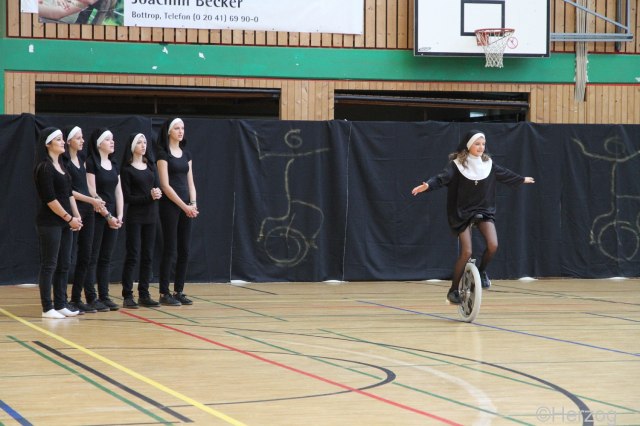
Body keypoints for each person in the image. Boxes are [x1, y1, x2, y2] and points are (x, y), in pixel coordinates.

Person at [411, 130, 535, 304]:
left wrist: (521, 179)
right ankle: (453, 290)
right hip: (462, 212)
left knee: (493, 245)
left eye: (483, 144)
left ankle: (482, 272)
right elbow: (442, 178)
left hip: (484, 209)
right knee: (467, 251)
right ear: (469, 146)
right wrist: (428, 185)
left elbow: (504, 174)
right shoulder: (456, 165)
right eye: (477, 144)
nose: (481, 147)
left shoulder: (488, 164)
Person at [33, 127, 83, 319]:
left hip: (65, 222)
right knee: (50, 264)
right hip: (50, 223)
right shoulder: (44, 168)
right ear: (48, 144)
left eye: (63, 139)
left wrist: (76, 216)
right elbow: (50, 200)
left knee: (64, 263)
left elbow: (68, 194)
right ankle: (47, 307)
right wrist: (69, 218)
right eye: (59, 139)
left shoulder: (62, 166)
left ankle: (61, 304)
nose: (63, 142)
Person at [62, 125, 106, 314]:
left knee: (86, 255)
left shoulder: (82, 160)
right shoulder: (64, 162)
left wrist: (96, 200)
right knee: (67, 257)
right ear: (69, 141)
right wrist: (90, 200)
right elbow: (69, 191)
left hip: (88, 212)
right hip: (74, 211)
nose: (82, 141)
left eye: (82, 137)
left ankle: (76, 298)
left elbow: (87, 187)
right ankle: (61, 300)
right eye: (78, 138)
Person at [156, 118, 199, 306]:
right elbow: (165, 186)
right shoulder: (162, 154)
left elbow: (191, 182)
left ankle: (178, 290)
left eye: (182, 128)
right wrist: (184, 206)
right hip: (170, 205)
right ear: (168, 132)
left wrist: (193, 204)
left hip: (187, 206)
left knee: (185, 249)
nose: (181, 131)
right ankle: (164, 292)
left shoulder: (186, 153)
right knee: (169, 248)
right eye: (176, 128)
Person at [120, 133, 163, 308]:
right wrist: (149, 197)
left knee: (148, 256)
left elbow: (156, 188)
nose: (143, 145)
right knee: (133, 255)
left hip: (151, 216)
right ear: (132, 146)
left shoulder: (150, 166)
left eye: (145, 142)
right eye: (139, 142)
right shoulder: (127, 170)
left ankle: (144, 294)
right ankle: (127, 295)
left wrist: (157, 193)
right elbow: (128, 197)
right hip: (135, 217)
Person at [85, 128, 124, 311]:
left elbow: (119, 191)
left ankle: (104, 296)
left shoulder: (114, 163)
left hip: (113, 216)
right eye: (108, 139)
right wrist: (107, 215)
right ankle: (91, 297)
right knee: (93, 257)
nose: (112, 142)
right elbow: (92, 192)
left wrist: (119, 215)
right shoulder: (91, 162)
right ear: (99, 143)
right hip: (97, 215)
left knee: (106, 258)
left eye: (112, 139)